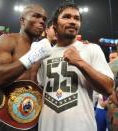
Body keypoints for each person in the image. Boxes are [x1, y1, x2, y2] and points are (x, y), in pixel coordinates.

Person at [37, 2, 114, 131]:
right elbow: (38, 92)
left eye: (76, 18)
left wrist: (80, 62)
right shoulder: (45, 55)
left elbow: (108, 88)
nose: (73, 21)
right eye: (66, 17)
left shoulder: (91, 49)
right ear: (55, 24)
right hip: (47, 126)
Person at [0, 4, 51, 131]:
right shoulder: (7, 40)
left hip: (29, 124)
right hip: (0, 121)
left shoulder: (43, 49)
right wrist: (31, 57)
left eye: (44, 19)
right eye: (36, 16)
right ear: (22, 20)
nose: (42, 21)